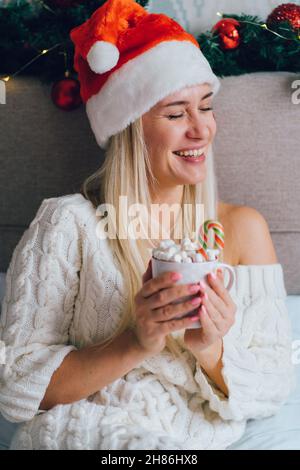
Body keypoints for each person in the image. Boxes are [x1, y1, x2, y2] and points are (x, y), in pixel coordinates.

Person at [0, 0, 295, 450]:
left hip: (184, 441)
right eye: (176, 114)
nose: (202, 130)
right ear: (131, 129)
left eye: (206, 107)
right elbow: (17, 388)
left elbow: (274, 384)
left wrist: (211, 349)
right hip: (81, 431)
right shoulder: (68, 224)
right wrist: (137, 341)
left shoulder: (240, 229)